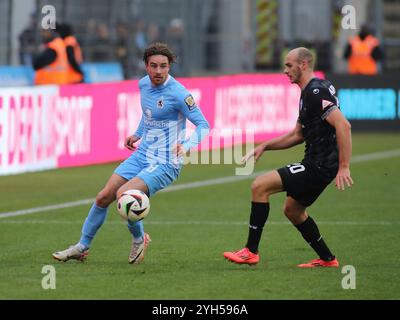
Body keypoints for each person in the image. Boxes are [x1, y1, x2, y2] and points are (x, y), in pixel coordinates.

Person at [53, 42, 210, 264]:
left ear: (169, 67)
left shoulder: (179, 94)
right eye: (153, 66)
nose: (158, 71)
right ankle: (82, 246)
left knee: (125, 195)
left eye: (163, 66)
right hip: (142, 154)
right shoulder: (144, 85)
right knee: (103, 196)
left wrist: (186, 145)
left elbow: (204, 125)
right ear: (146, 66)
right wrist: (137, 133)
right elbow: (148, 114)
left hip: (166, 162)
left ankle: (139, 239)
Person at [224, 47, 353, 268]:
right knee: (293, 211)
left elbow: (343, 124)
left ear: (303, 65)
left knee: (260, 185)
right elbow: (297, 135)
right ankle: (327, 259)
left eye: (289, 65)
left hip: (319, 165)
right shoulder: (310, 92)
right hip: (318, 163)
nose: (285, 70)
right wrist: (265, 145)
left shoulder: (315, 92)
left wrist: (344, 166)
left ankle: (250, 251)